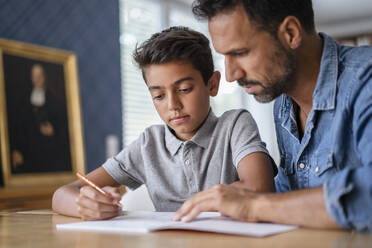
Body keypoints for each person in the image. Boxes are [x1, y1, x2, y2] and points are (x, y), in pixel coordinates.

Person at [173, 0, 372, 232]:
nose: (230, 74)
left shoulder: (365, 81)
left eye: (240, 52)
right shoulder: (284, 105)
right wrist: (237, 195)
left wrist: (252, 205)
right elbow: (293, 194)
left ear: (290, 33)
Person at [52, 26, 276, 220]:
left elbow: (260, 188)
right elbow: (61, 195)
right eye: (159, 96)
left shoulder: (235, 125)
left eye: (184, 89)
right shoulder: (149, 144)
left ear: (212, 84)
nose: (173, 105)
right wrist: (86, 205)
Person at [11, 64, 71, 173]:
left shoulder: (54, 101)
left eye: (40, 75)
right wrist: (15, 149)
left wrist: (53, 131)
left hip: (47, 152)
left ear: (45, 77)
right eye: (34, 76)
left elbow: (64, 129)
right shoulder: (23, 100)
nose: (37, 79)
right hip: (27, 152)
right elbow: (17, 127)